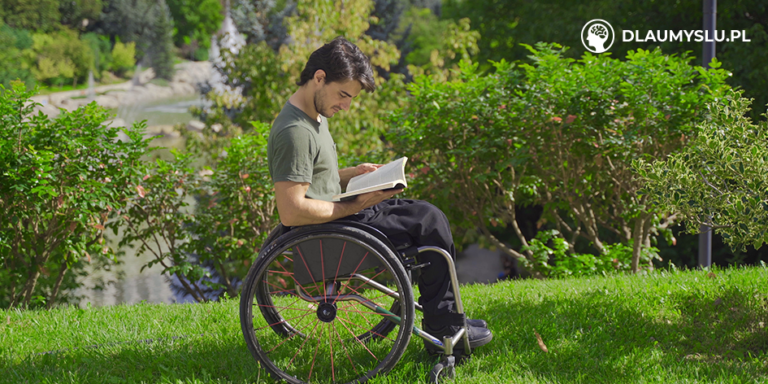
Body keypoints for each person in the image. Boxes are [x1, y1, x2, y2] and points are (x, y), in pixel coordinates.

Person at [267, 36, 492, 353]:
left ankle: (447, 318)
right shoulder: (295, 133)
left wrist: (351, 175)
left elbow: (310, 180)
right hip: (327, 236)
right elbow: (291, 211)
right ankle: (444, 328)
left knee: (424, 213)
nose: (345, 106)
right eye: (343, 95)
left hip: (337, 219)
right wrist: (356, 202)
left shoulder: (311, 116)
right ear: (319, 78)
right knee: (428, 223)